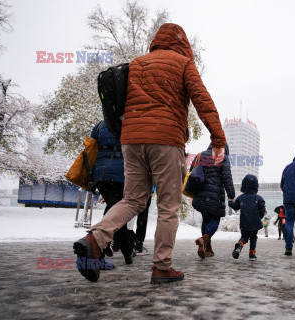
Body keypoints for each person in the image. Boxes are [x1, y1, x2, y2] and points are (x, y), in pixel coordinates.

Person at [73, 23, 228, 284]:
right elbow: (203, 100)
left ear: (156, 41)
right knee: (168, 206)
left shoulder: (136, 63)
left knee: (132, 199)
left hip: (132, 141)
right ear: (183, 43)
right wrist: (218, 140)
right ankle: (161, 267)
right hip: (166, 140)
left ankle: (95, 238)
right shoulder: (183, 64)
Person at [89, 121, 134, 265]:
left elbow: (92, 144)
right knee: (115, 213)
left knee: (116, 212)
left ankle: (127, 252)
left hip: (100, 174)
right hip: (120, 175)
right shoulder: (129, 123)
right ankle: (97, 247)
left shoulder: (101, 125)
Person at [192, 144, 235, 259]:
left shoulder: (201, 155)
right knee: (215, 219)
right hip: (215, 194)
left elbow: (192, 170)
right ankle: (204, 240)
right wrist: (231, 194)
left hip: (201, 193)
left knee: (206, 219)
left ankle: (207, 249)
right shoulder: (223, 158)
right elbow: (227, 177)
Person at [229, 174, 266, 261]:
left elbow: (235, 207)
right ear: (256, 186)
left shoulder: (241, 198)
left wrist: (230, 202)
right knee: (253, 238)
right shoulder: (259, 198)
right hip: (255, 222)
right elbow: (262, 211)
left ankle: (240, 244)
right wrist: (259, 217)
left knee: (244, 237)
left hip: (244, 221)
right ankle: (252, 254)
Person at [134, 186, 155, 255]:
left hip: (133, 190)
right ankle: (138, 242)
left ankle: (136, 241)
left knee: (141, 217)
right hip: (145, 191)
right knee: (142, 217)